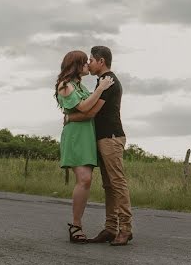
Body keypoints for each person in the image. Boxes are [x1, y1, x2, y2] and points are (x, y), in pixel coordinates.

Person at [66, 45, 133, 246]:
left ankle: (126, 229)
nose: (89, 64)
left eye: (91, 60)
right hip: (103, 138)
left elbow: (91, 112)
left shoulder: (108, 82)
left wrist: (70, 117)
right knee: (108, 185)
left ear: (101, 61)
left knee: (117, 183)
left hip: (111, 138)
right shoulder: (101, 82)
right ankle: (111, 228)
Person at [55, 50, 114, 243]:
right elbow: (84, 108)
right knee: (84, 178)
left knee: (86, 181)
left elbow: (92, 110)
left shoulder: (79, 86)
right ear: (76, 65)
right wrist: (101, 88)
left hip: (86, 135)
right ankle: (76, 224)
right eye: (85, 62)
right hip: (75, 137)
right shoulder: (65, 85)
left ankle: (77, 223)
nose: (88, 65)